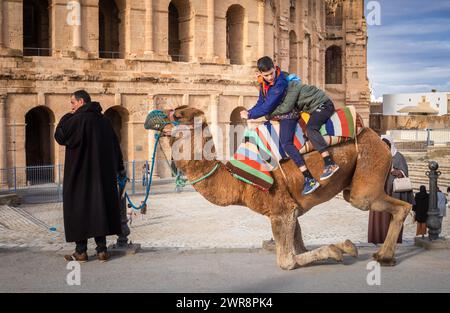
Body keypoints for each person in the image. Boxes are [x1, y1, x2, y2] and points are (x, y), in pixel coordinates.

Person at [240, 56, 339, 195]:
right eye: (266, 75)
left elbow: (273, 106)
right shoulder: (264, 85)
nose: (270, 77)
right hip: (298, 110)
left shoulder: (280, 83)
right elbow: (261, 102)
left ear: (275, 68)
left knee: (294, 139)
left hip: (307, 109)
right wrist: (249, 111)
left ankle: (318, 171)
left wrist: (252, 115)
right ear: (260, 74)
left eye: (271, 73)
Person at [55, 90, 124, 263]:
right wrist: (119, 169)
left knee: (79, 210)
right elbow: (116, 146)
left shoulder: (75, 120)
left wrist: (66, 116)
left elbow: (60, 136)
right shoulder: (105, 122)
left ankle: (81, 252)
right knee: (98, 208)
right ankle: (102, 250)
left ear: (80, 102)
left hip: (79, 175)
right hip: (101, 176)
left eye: (72, 102)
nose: (71, 106)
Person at [368, 135, 414, 244]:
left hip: (393, 193)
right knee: (379, 216)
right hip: (380, 192)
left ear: (390, 144)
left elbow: (404, 173)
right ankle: (378, 239)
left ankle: (392, 241)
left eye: (386, 145)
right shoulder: (378, 156)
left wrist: (396, 172)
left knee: (392, 218)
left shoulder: (398, 157)